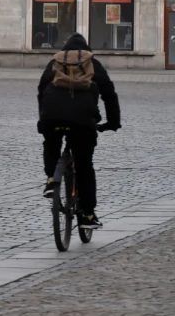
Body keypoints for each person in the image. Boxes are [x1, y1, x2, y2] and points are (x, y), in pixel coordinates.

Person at [38, 34, 120, 229]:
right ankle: (87, 215)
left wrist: (44, 119)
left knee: (51, 142)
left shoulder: (55, 62)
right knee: (84, 165)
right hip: (83, 120)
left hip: (52, 115)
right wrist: (113, 122)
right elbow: (109, 94)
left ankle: (51, 179)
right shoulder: (93, 63)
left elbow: (41, 91)